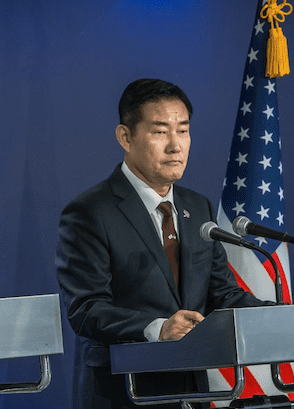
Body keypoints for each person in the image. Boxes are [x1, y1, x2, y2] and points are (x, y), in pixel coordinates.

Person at [55, 78, 267, 409]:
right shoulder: (90, 211)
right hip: (123, 394)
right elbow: (85, 309)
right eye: (160, 131)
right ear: (125, 137)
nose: (175, 145)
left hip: (192, 390)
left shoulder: (197, 208)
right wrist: (158, 328)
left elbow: (222, 295)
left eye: (183, 130)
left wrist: (281, 317)